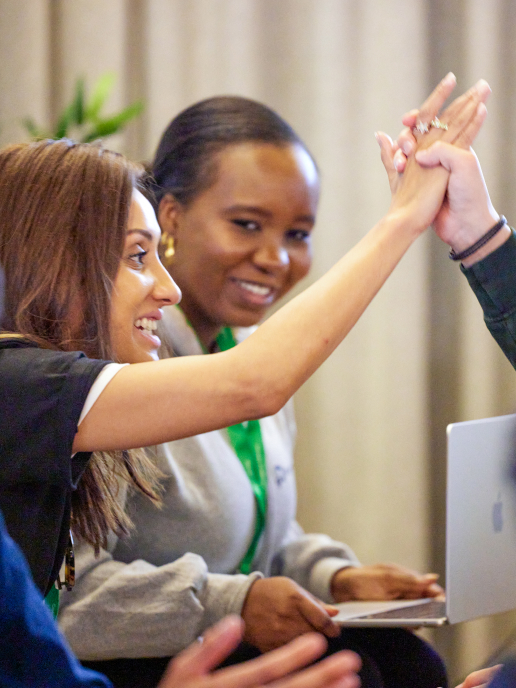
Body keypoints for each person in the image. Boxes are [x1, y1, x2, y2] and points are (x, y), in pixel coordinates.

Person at [0, 76, 485, 683]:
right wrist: (406, 219)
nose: (167, 287)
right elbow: (255, 383)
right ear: (55, 263)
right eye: (133, 257)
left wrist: (328, 575)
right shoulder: (27, 382)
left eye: (298, 234)